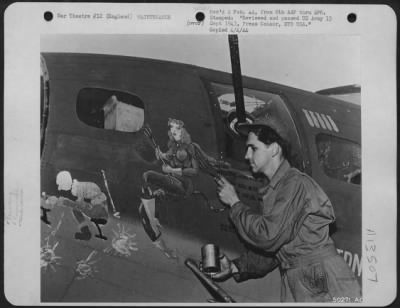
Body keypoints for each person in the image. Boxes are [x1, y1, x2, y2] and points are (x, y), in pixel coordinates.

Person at [208, 114, 361, 302]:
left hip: (318, 278)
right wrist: (234, 267)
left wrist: (235, 204)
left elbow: (269, 236)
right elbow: (277, 250)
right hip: (304, 277)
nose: (247, 156)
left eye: (253, 148)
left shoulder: (294, 184)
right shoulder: (278, 188)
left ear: (273, 149)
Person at [139, 118, 199, 258]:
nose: (173, 133)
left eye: (176, 130)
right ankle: (153, 219)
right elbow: (165, 157)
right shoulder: (174, 148)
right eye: (171, 131)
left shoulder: (190, 148)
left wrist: (172, 170)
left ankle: (152, 216)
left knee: (148, 180)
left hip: (183, 186)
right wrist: (157, 150)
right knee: (146, 178)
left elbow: (193, 171)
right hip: (172, 181)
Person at [51, 171, 109, 241]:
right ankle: (86, 232)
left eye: (61, 185)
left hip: (99, 211)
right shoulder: (78, 187)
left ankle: (86, 233)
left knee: (76, 208)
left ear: (66, 183)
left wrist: (64, 201)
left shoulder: (79, 188)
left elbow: (79, 205)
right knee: (75, 210)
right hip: (98, 208)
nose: (61, 188)